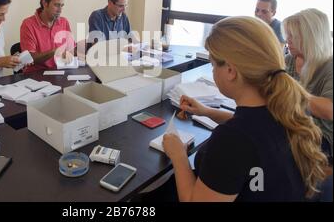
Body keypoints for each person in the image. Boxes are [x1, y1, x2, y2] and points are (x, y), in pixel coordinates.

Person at [139, 16, 328, 202]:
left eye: (213, 64)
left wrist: (179, 155)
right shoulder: (284, 111)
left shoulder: (231, 141)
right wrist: (208, 112)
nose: (212, 71)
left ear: (230, 70)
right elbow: (255, 131)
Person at [283, 8, 333, 163]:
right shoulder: (289, 60)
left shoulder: (329, 66)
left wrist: (288, 90)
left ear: (311, 37)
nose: (288, 40)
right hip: (290, 124)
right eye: (288, 34)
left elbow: (329, 110)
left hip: (319, 136)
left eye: (293, 36)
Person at [20, 0, 75, 73]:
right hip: (36, 74)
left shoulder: (64, 22)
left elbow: (71, 49)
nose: (60, 10)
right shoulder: (28, 24)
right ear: (44, 3)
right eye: (56, 5)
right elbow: (29, 59)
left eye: (62, 5)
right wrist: (54, 51)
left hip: (60, 71)